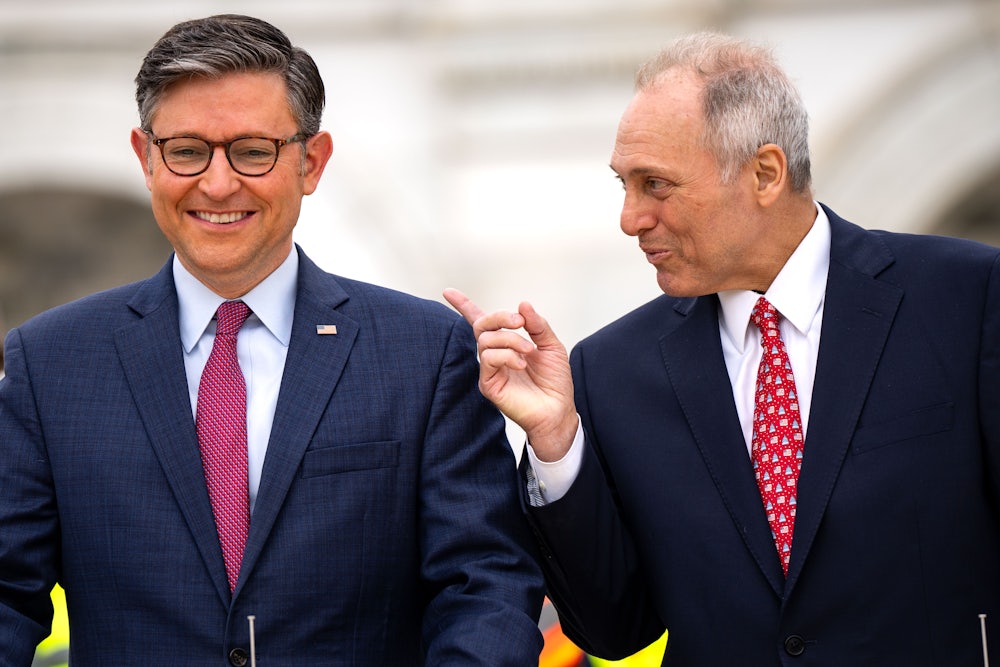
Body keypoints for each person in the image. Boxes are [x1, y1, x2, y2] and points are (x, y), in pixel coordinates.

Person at [0, 14, 544, 665]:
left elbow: (484, 581)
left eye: (253, 150)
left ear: (311, 162)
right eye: (186, 150)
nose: (219, 182)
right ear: (146, 158)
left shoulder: (423, 352)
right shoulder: (51, 363)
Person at [445, 31, 1000, 666]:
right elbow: (614, 630)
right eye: (623, 184)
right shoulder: (609, 371)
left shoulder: (968, 298)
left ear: (765, 174)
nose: (630, 218)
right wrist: (555, 442)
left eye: (656, 185)